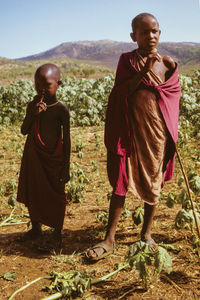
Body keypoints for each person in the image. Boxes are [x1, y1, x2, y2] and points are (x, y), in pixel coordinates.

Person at [87, 13, 181, 260]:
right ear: (133, 36)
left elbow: (172, 93)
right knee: (121, 182)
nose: (150, 36)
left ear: (160, 33)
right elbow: (122, 91)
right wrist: (145, 70)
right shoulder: (127, 60)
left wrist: (170, 69)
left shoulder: (166, 63)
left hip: (156, 131)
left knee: (154, 180)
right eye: (144, 32)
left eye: (155, 31)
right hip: (129, 132)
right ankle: (109, 238)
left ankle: (146, 233)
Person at [17, 63, 70, 249]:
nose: (41, 89)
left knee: (56, 195)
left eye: (46, 85)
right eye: (37, 84)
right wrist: (33, 114)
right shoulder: (33, 105)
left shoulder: (61, 110)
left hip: (54, 159)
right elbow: (24, 130)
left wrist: (66, 167)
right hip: (34, 156)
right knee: (33, 190)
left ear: (59, 84)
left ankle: (57, 234)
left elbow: (67, 141)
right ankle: (36, 228)